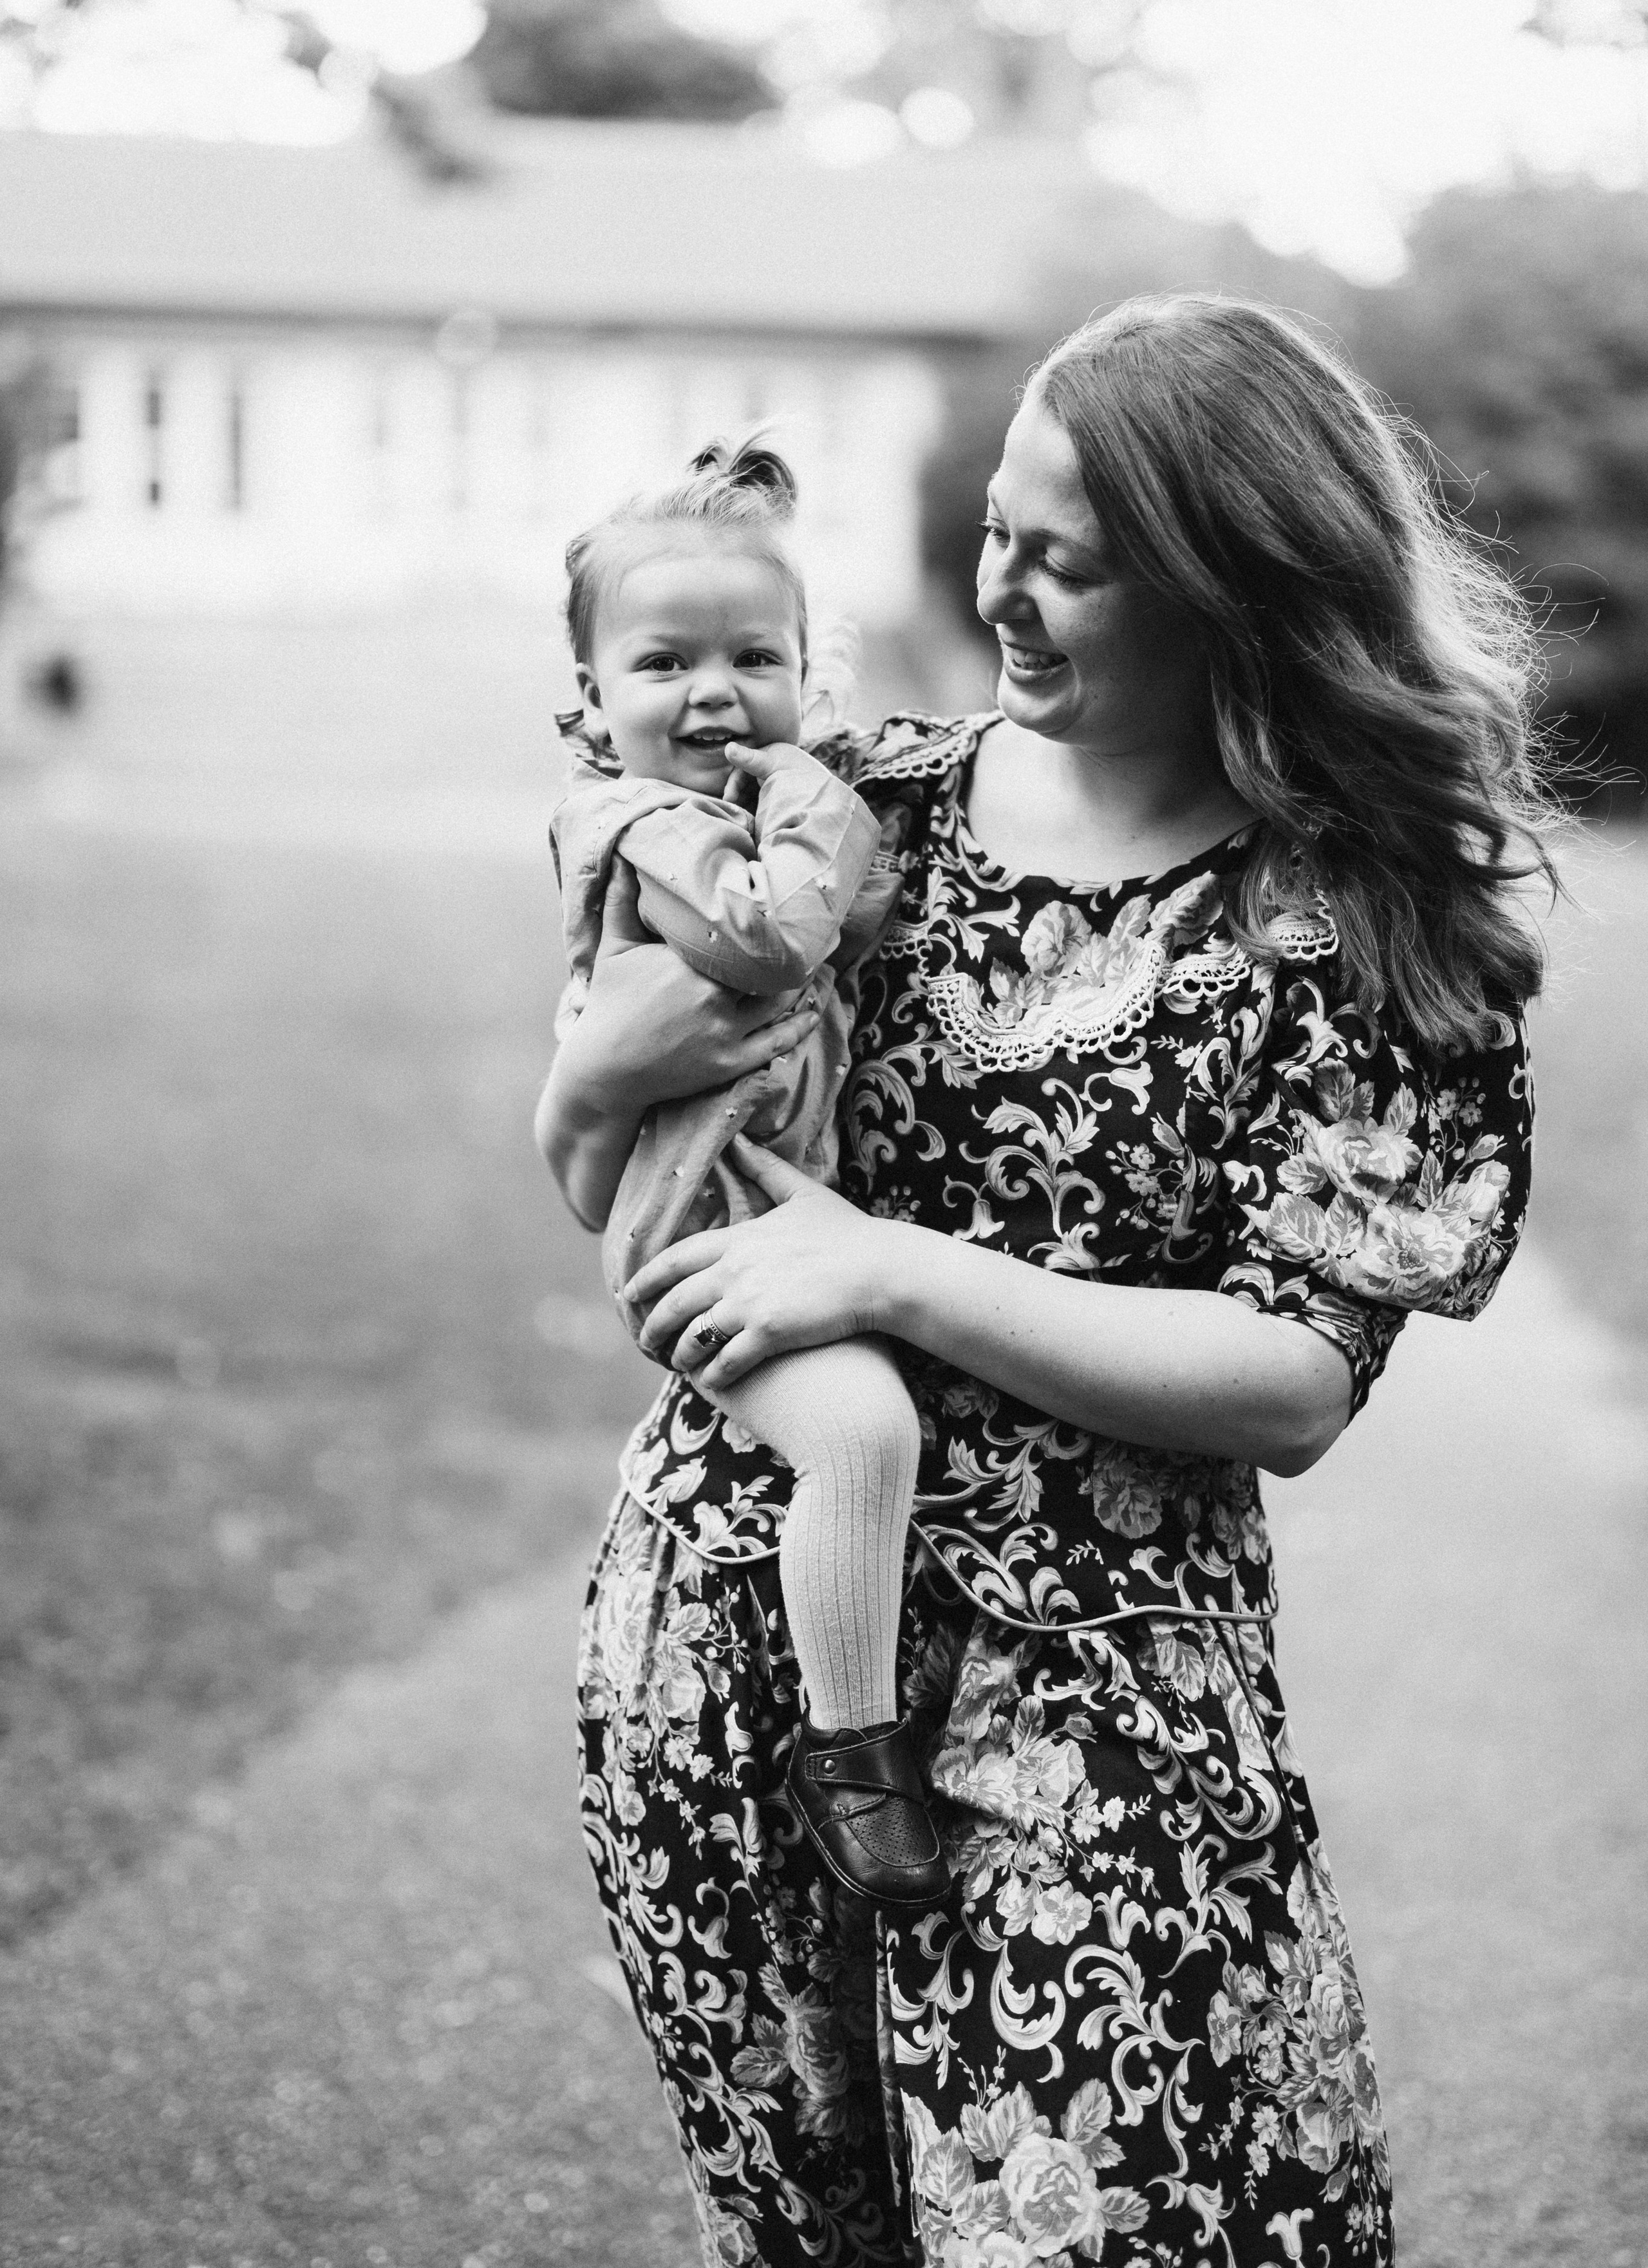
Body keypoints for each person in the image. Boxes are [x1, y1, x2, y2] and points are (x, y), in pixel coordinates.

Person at [539, 296, 1548, 2268]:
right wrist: (584, 1075)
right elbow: (612, 1158)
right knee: (818, 2235)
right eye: (995, 527)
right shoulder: (858, 813)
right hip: (725, 1659)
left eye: (1063, 556)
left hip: (1104, 1697)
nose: (997, 586)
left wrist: (897, 1272)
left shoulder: (1348, 915)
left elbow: (1292, 1380)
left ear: (1219, 579)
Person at [547, 435, 948, 1907]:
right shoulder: (650, 825)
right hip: (701, 1230)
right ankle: (850, 1749)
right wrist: (818, 804)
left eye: (752, 657)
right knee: (862, 1440)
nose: (713, 694)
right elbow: (777, 935)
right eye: (662, 664)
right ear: (590, 707)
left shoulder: (727, 810)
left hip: (752, 1201)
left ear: (804, 667)